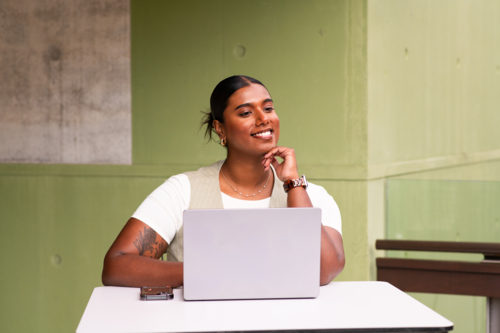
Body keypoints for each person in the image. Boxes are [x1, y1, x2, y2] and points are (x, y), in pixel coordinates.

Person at [102, 75, 345, 288]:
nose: (263, 119)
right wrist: (209, 271)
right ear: (220, 129)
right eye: (246, 112)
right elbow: (116, 265)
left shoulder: (311, 196)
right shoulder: (183, 191)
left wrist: (293, 184)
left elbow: (325, 271)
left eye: (268, 108)